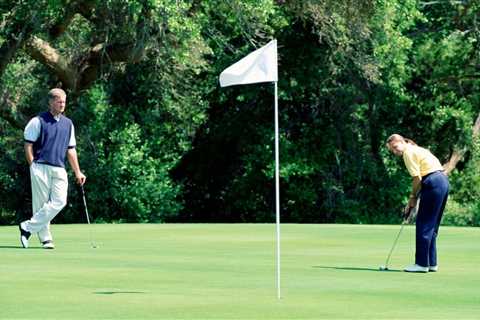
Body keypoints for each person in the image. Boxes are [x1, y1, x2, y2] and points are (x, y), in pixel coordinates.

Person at [19, 88, 86, 249]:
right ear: (50, 102)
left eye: (63, 101)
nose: (62, 104)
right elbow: (28, 144)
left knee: (60, 201)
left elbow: (71, 149)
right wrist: (32, 164)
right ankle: (46, 238)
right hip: (40, 166)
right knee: (41, 204)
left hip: (59, 167)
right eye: (58, 101)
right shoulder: (38, 121)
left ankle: (27, 227)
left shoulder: (68, 124)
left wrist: (77, 171)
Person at [386, 134, 449, 273]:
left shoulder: (408, 152)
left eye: (395, 147)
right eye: (392, 150)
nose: (395, 152)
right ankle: (432, 263)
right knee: (432, 226)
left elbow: (417, 178)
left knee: (423, 224)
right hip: (443, 181)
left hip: (432, 181)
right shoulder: (418, 149)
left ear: (402, 142)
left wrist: (412, 197)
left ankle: (421, 264)